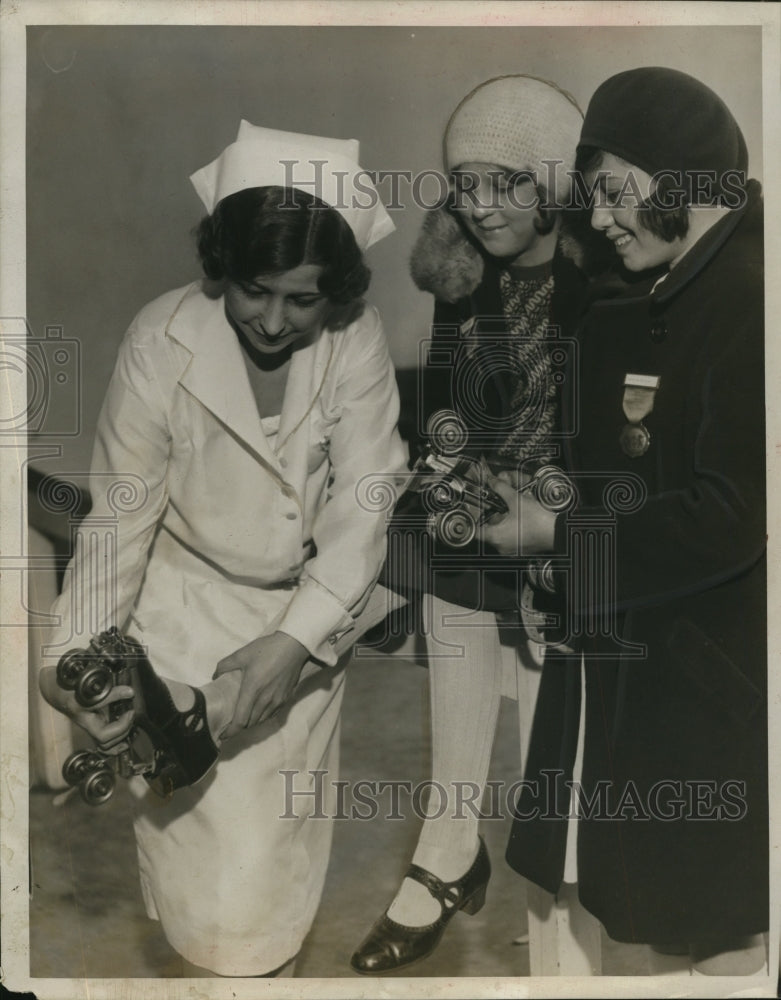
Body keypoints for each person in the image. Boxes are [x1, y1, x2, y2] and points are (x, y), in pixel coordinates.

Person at [38, 121, 407, 977]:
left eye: (302, 300)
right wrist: (64, 663)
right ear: (221, 270)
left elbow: (362, 510)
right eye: (254, 290)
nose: (274, 321)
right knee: (203, 894)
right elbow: (118, 523)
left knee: (266, 879)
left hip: (303, 616)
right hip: (181, 619)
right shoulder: (158, 339)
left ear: (337, 293)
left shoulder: (356, 344)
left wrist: (290, 645)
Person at [482, 68, 767, 975]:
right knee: (642, 914)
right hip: (638, 660)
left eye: (612, 190)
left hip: (705, 684)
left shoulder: (747, 301)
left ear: (679, 179)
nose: (598, 217)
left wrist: (557, 538)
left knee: (715, 932)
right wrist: (552, 543)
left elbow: (728, 517)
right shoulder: (671, 291)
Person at [350, 75, 589, 975]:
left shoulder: (599, 278)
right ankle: (446, 851)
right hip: (487, 501)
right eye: (465, 184)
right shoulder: (462, 278)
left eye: (506, 183)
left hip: (574, 515)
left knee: (547, 692)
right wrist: (453, 477)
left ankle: (548, 887)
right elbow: (446, 407)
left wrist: (549, 510)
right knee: (450, 596)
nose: (480, 206)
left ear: (552, 183)